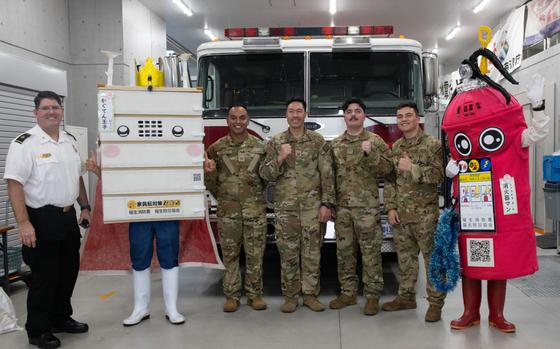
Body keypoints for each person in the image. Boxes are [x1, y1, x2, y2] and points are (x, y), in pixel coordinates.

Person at [4, 91, 91, 349]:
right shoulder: (24, 143)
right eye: (46, 108)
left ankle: (61, 319)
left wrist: (84, 206)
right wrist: (23, 223)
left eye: (56, 107)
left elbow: (76, 176)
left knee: (68, 272)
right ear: (36, 112)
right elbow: (14, 184)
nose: (52, 112)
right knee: (44, 277)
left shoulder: (69, 141)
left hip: (67, 217)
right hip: (40, 219)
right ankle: (38, 330)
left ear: (62, 111)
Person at [84, 152, 185, 327]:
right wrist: (97, 171)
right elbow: (117, 177)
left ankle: (172, 308)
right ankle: (141, 308)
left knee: (169, 257)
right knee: (139, 257)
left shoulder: (171, 144)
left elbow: (186, 174)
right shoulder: (130, 145)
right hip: (139, 210)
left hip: (168, 208)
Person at [259, 98, 335, 313]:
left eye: (299, 111)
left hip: (312, 208)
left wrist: (327, 204)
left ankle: (311, 295)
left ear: (305, 114)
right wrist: (280, 158)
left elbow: (327, 175)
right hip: (286, 209)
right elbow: (265, 174)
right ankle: (290, 297)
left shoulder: (317, 141)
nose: (295, 115)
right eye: (291, 111)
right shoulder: (276, 142)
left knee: (312, 253)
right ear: (286, 115)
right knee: (288, 254)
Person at [382, 102, 446, 322]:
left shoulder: (432, 144)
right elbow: (390, 181)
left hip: (425, 216)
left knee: (432, 261)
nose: (403, 119)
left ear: (417, 118)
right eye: (399, 116)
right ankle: (406, 297)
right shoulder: (396, 147)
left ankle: (436, 303)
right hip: (401, 215)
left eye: (408, 115)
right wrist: (390, 207)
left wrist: (413, 169)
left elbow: (439, 176)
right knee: (406, 260)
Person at [328, 98, 392, 315]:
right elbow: (330, 177)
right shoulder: (336, 144)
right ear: (344, 116)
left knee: (370, 253)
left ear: (364, 115)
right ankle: (348, 293)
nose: (353, 115)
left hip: (367, 208)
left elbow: (388, 171)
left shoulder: (375, 141)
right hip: (343, 208)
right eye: (349, 111)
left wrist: (371, 153)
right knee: (344, 253)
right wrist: (331, 203)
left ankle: (372, 297)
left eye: (357, 111)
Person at [204, 105, 268, 312]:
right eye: (233, 118)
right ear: (227, 121)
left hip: (254, 212)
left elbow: (266, 180)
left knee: (255, 254)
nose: (237, 122)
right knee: (230, 255)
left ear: (248, 120)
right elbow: (210, 181)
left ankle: (254, 295)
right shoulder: (216, 148)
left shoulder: (260, 147)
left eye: (242, 117)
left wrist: (253, 195)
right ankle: (232, 296)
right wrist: (221, 193)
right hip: (228, 212)